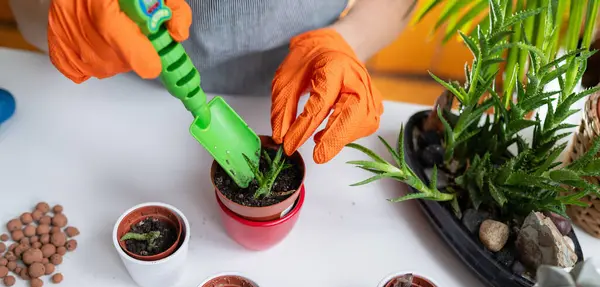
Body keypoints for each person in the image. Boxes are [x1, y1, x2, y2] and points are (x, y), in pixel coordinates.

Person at [10, 0, 415, 164]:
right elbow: (27, 14)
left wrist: (351, 39)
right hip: (116, 84)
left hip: (301, 87)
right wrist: (57, 11)